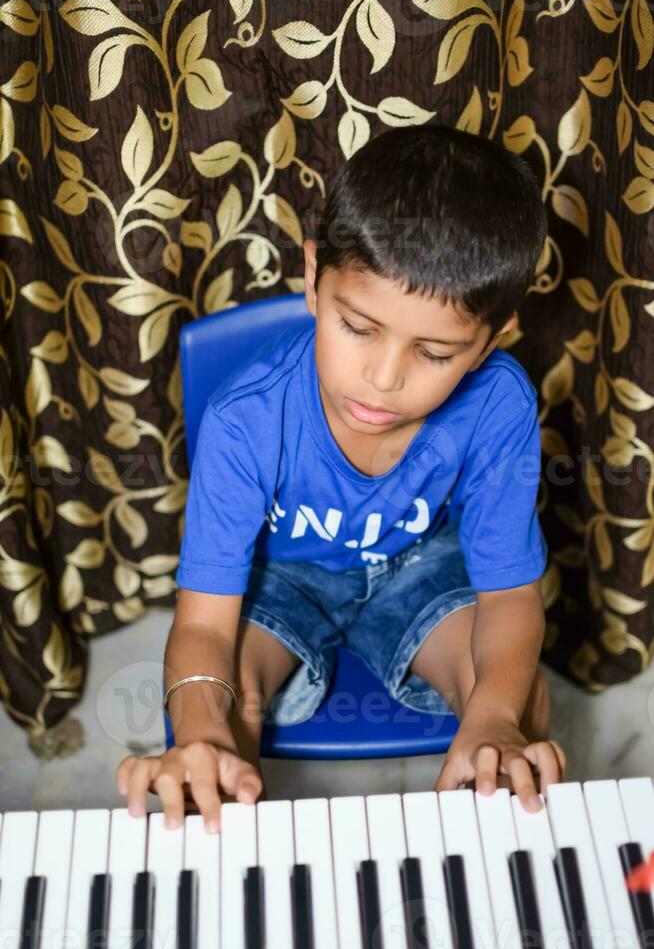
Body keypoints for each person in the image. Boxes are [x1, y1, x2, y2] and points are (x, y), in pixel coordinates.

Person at [116, 123, 566, 834]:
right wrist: (202, 732)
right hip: (282, 579)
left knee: (518, 701)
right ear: (313, 276)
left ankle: (493, 893)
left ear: (491, 340)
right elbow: (203, 623)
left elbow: (510, 596)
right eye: (358, 328)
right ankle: (230, 872)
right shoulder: (245, 420)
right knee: (220, 719)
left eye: (437, 352)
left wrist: (493, 721)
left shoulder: (500, 401)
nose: (384, 380)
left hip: (421, 565)